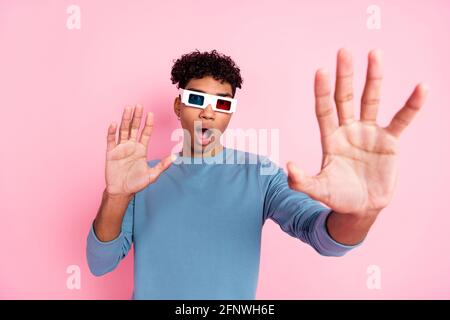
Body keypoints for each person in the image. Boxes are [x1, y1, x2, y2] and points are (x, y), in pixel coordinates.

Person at [86, 49, 428, 299]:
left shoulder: (261, 175)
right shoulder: (142, 179)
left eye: (222, 103)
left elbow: (322, 236)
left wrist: (361, 212)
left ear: (231, 113)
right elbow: (100, 263)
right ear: (178, 106)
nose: (208, 112)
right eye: (195, 99)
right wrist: (115, 195)